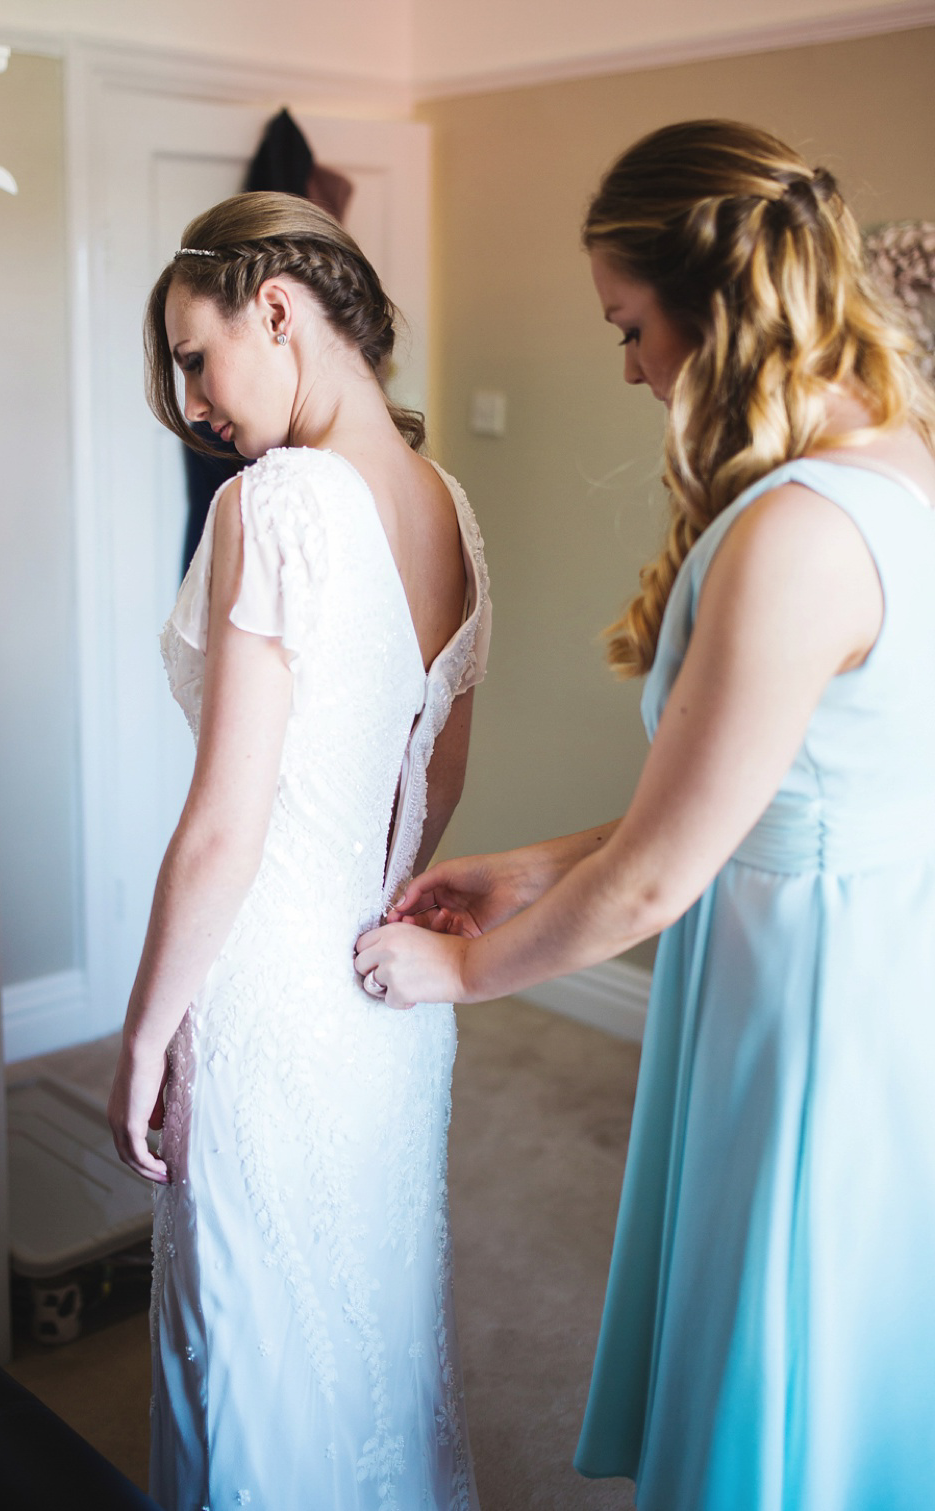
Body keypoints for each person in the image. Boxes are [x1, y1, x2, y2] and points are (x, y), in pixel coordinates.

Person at [355, 120, 935, 1510]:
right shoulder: (906, 466)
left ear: (712, 307)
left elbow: (663, 875)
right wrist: (525, 870)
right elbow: (755, 797)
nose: (628, 366)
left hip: (801, 997)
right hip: (868, 950)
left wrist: (465, 971)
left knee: (778, 1322)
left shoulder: (799, 532)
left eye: (629, 325)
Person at [106, 191, 490, 1511]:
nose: (196, 401)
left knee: (254, 1359)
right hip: (385, 983)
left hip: (267, 995)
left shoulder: (278, 505)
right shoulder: (447, 508)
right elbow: (435, 783)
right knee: (372, 1338)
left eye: (195, 357)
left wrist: (147, 1035)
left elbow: (224, 824)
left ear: (278, 310)